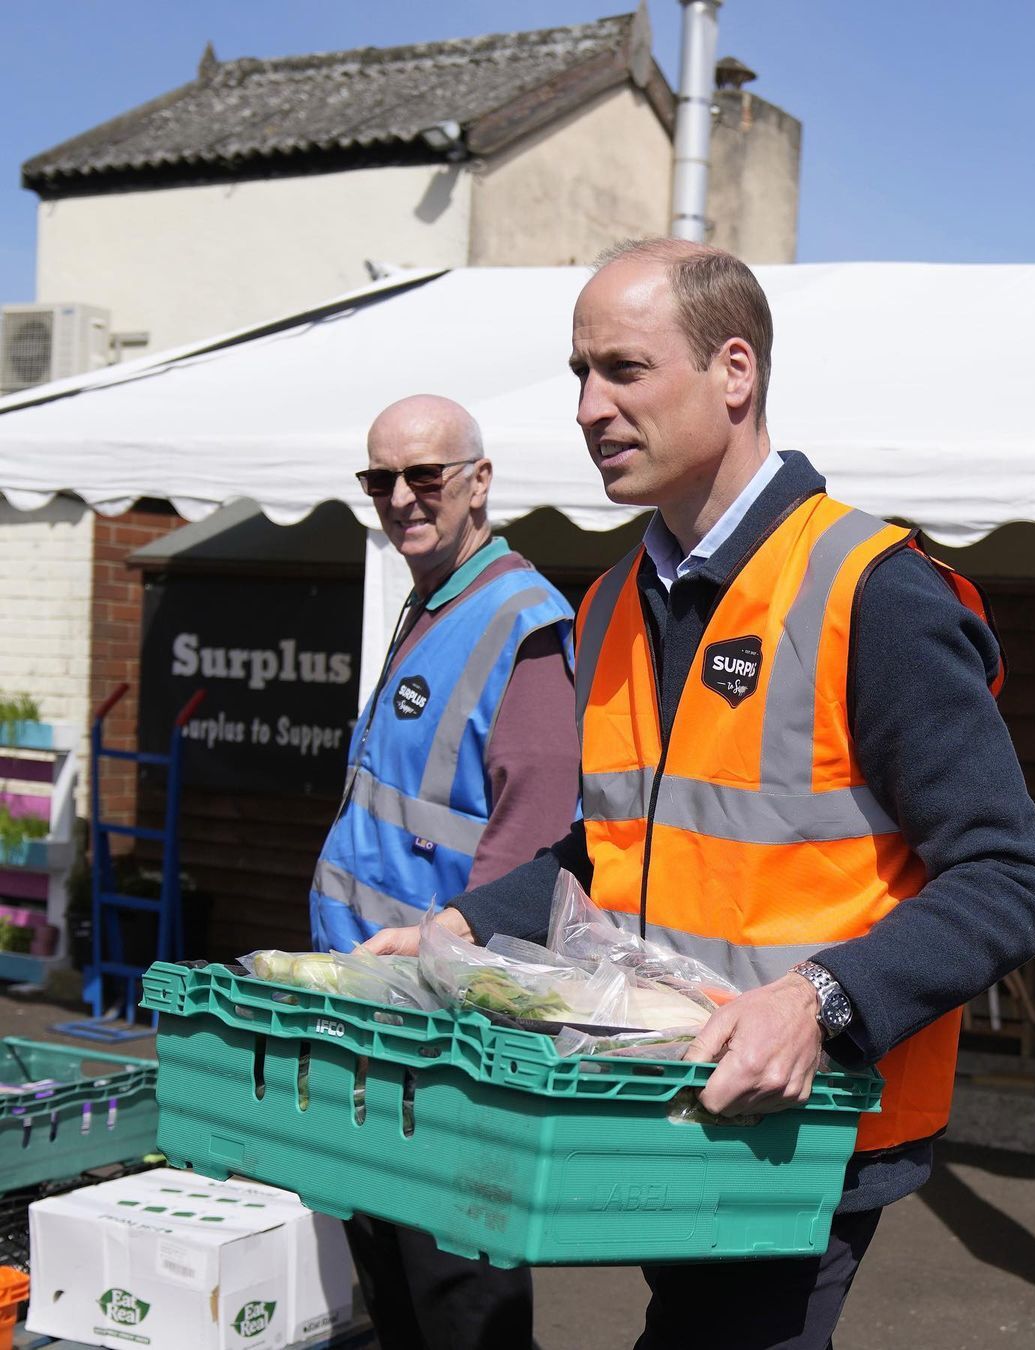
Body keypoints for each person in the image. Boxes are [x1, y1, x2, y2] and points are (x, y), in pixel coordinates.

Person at [367, 242, 1035, 1349]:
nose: (591, 407)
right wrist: (461, 927)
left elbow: (1012, 879)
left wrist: (819, 1002)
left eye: (625, 370)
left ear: (734, 371)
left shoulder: (870, 592)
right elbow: (606, 851)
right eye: (579, 375)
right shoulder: (604, 607)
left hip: (811, 1130)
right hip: (657, 1111)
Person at [310, 393, 579, 1350]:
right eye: (379, 479)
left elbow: (541, 846)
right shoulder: (432, 601)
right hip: (374, 1018)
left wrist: (450, 981)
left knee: (460, 1306)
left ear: (480, 482)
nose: (401, 497)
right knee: (393, 1299)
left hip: (444, 1039)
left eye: (425, 475)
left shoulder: (521, 620)